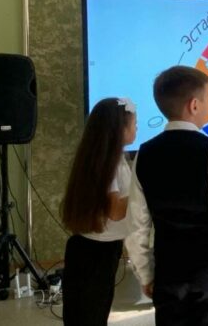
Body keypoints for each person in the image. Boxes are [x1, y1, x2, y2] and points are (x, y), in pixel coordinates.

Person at [125, 65, 208, 326]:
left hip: (169, 272)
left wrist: (146, 274)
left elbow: (137, 227)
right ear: (194, 105)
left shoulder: (145, 153)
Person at [60, 97, 137, 326]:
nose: (136, 129)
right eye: (134, 124)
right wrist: (142, 195)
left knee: (91, 311)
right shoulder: (109, 164)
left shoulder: (104, 158)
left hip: (95, 249)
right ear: (119, 129)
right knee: (90, 313)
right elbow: (115, 211)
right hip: (96, 254)